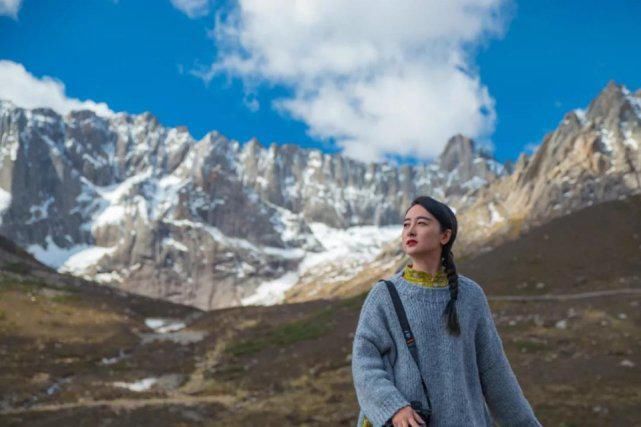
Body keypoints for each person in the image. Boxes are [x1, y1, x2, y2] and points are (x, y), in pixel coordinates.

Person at [351, 196, 541, 427]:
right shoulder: (384, 295)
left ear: (445, 235)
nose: (410, 230)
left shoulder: (471, 296)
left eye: (421, 223)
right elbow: (364, 362)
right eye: (406, 224)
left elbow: (495, 373)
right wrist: (393, 407)